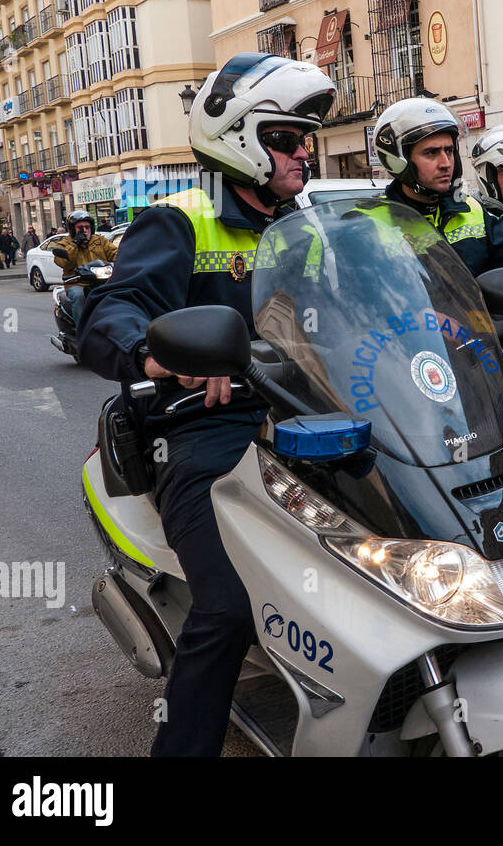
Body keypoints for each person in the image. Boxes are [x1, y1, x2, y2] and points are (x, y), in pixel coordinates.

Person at [79, 52, 336, 757]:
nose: (302, 152)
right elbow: (113, 311)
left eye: (303, 139)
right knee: (227, 606)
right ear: (242, 139)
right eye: (287, 137)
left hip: (302, 421)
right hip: (202, 436)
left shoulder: (308, 229)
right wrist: (160, 356)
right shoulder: (180, 221)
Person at [372, 99, 503, 277]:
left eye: (449, 151)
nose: (446, 164)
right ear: (398, 161)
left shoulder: (471, 208)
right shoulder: (369, 224)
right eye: (431, 153)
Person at [51, 211, 117, 322]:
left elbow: (115, 253)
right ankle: (82, 331)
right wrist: (75, 244)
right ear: (72, 229)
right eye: (80, 228)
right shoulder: (65, 243)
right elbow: (62, 262)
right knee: (78, 296)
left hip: (101, 281)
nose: (85, 230)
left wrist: (127, 258)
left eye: (87, 227)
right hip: (77, 283)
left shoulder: (100, 241)